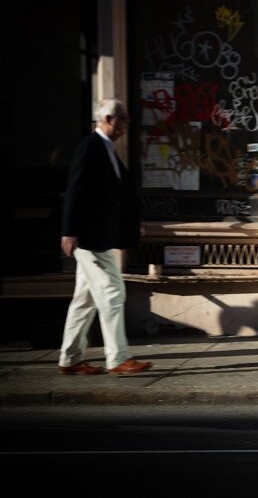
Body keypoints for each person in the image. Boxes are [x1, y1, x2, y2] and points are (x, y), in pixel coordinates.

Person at [57, 98, 153, 375]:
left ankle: (70, 359)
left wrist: (132, 225)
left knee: (84, 300)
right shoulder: (90, 147)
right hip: (88, 239)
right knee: (112, 293)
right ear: (109, 119)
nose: (127, 123)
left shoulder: (107, 149)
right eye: (123, 118)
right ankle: (118, 358)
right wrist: (69, 231)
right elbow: (75, 189)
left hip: (98, 237)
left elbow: (118, 196)